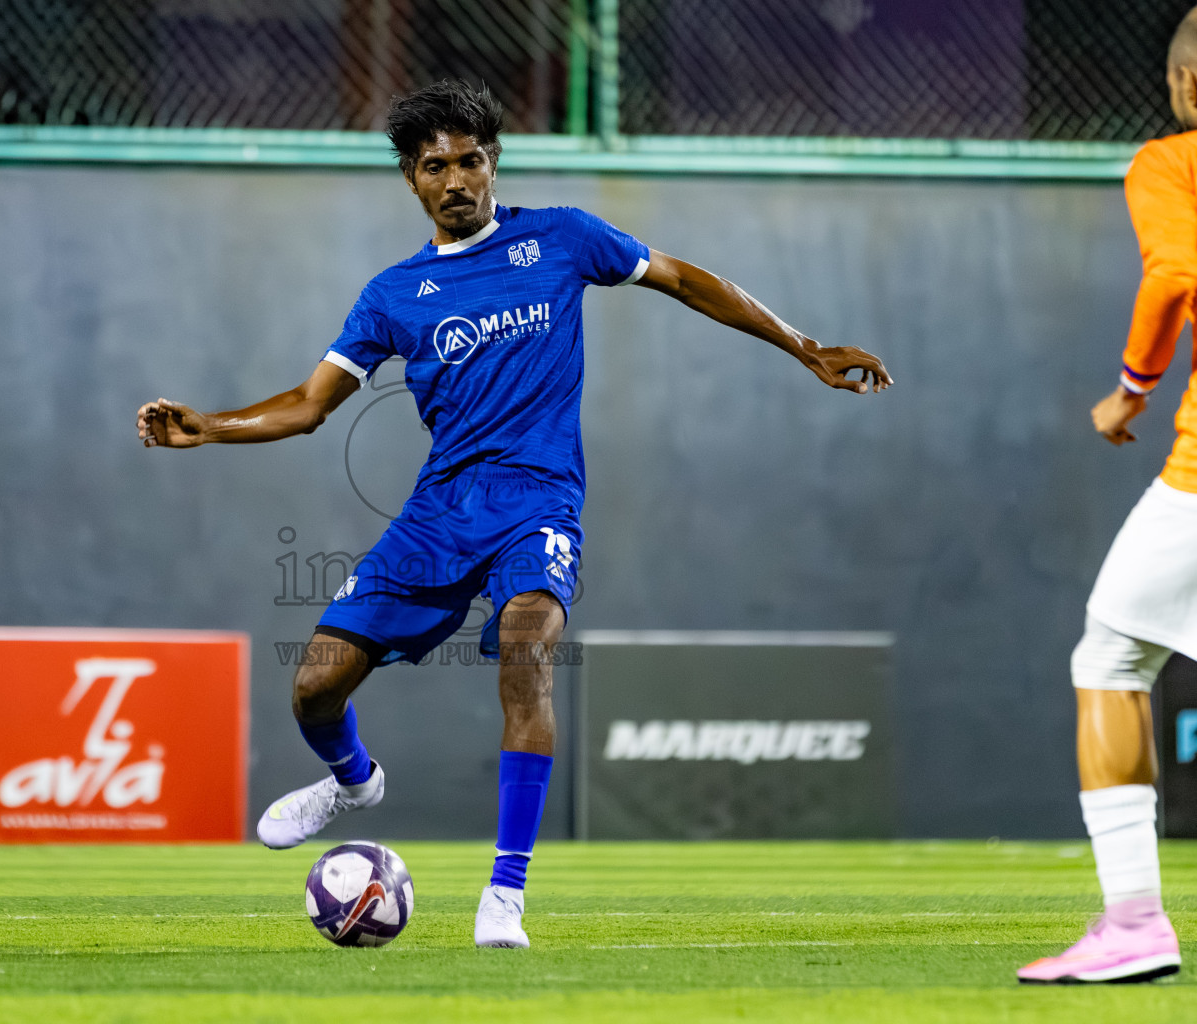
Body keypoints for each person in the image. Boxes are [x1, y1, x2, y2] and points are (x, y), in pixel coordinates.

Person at [137, 79, 891, 948]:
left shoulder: (564, 238)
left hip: (539, 500)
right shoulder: (393, 294)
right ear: (411, 179)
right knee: (313, 685)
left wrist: (804, 347)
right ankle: (352, 782)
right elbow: (309, 407)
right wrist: (210, 425)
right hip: (438, 513)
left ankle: (505, 892)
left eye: (470, 161)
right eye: (435, 167)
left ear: (493, 162)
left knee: (528, 651)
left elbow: (686, 280)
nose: (455, 180)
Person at [1015, 10, 1197, 987]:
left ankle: (1133, 922)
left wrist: (1131, 388)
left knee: (1113, 656)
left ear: (1187, 84)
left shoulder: (1173, 162)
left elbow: (1174, 272)